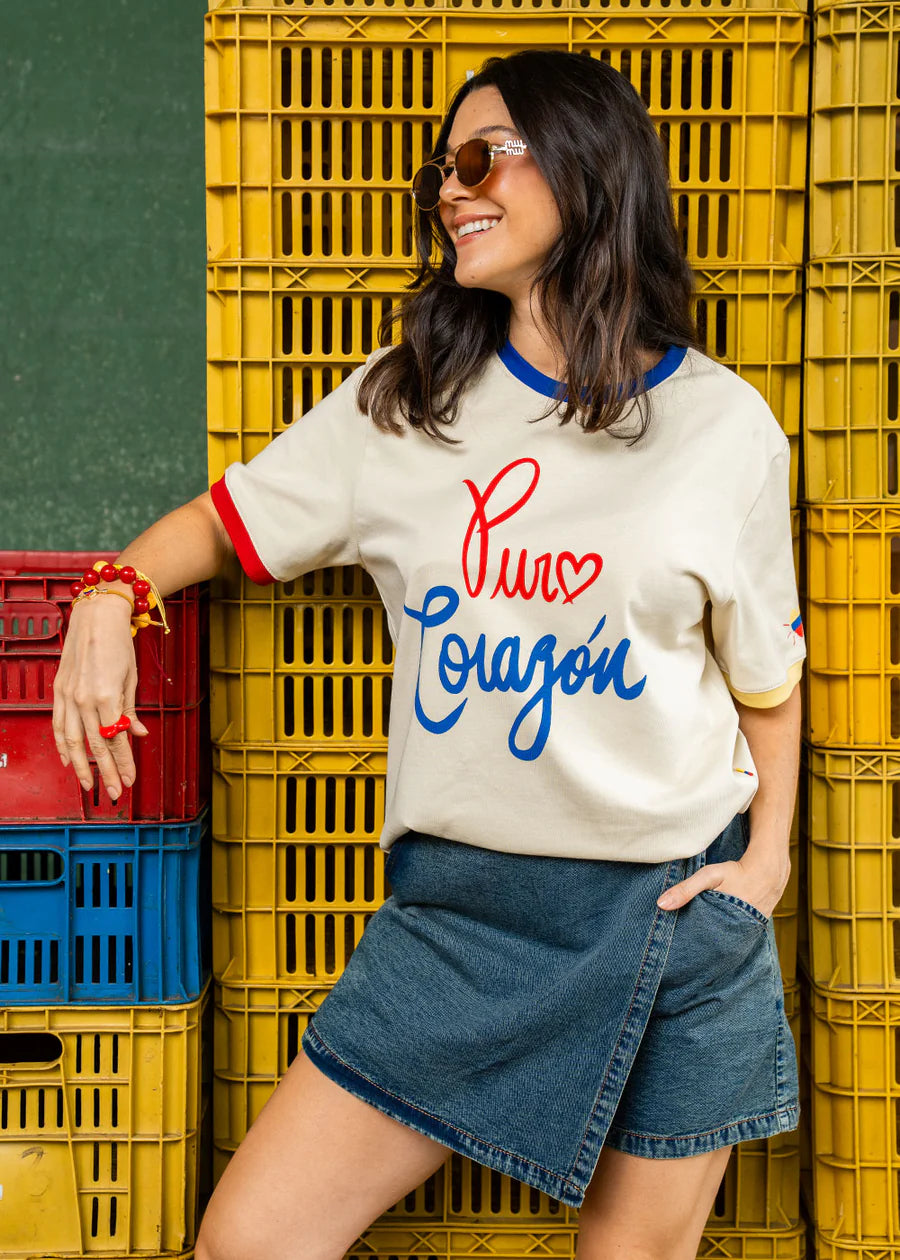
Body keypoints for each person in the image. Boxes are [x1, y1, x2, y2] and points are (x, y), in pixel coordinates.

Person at [53, 48, 806, 1260]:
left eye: (479, 158)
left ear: (587, 168)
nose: (451, 190)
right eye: (441, 171)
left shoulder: (726, 426)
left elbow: (766, 678)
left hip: (675, 911)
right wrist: (111, 594)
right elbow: (223, 523)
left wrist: (765, 862)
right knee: (249, 1244)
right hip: (464, 915)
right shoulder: (404, 406)